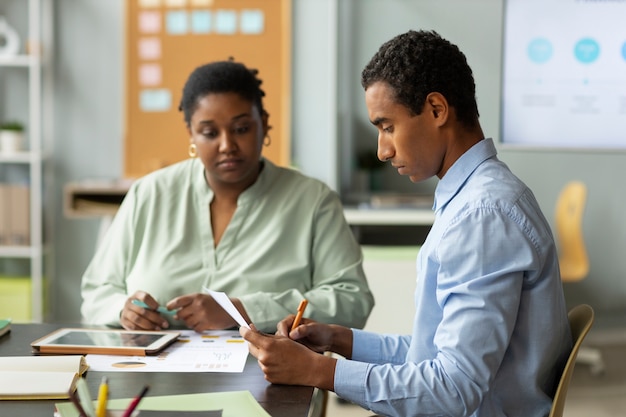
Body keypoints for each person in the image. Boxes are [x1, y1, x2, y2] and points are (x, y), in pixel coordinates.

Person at [241, 30, 573, 417]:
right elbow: (431, 353)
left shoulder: (482, 216)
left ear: (436, 109)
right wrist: (338, 339)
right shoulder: (476, 199)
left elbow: (453, 388)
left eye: (387, 126)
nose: (383, 150)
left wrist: (319, 371)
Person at [81, 59, 375, 334]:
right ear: (191, 134)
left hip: (267, 375)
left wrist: (244, 310)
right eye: (209, 133)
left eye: (242, 129)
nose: (227, 145)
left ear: (265, 123)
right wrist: (123, 310)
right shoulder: (149, 193)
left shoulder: (312, 201)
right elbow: (97, 291)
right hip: (153, 374)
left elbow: (352, 300)